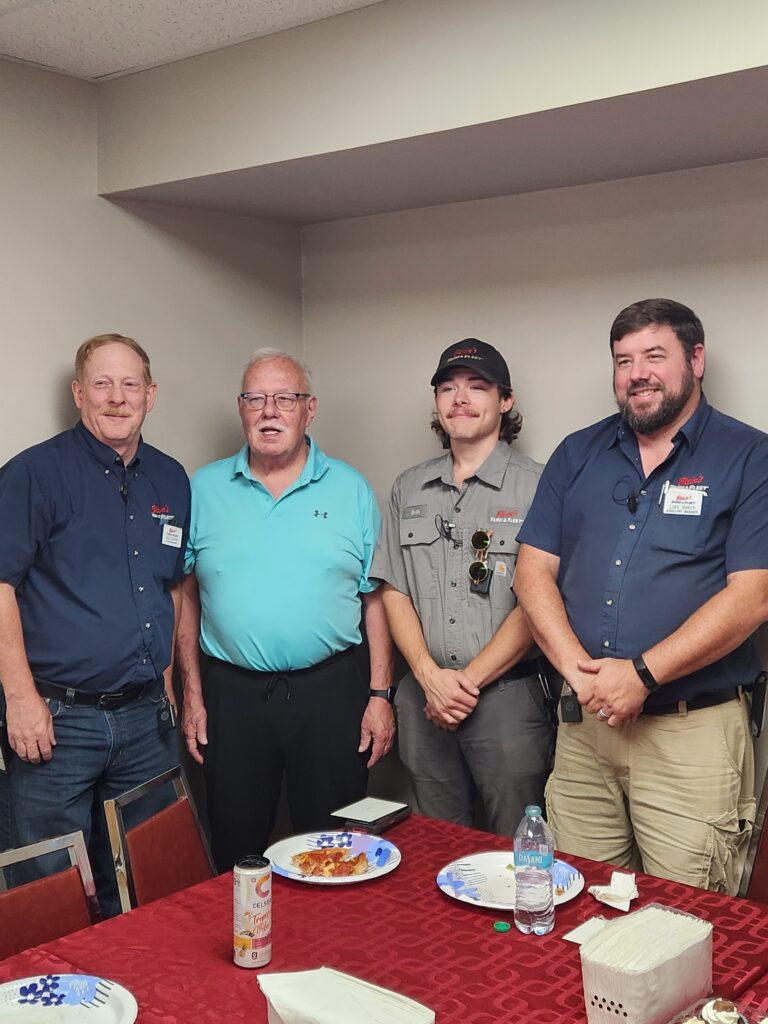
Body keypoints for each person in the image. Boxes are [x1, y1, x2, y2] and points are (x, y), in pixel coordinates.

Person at [514, 298, 768, 894]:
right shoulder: (578, 453)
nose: (637, 374)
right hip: (584, 730)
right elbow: (531, 573)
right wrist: (583, 676)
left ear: (696, 359)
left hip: (691, 735)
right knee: (575, 903)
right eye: (623, 360)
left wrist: (642, 675)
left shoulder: (751, 457)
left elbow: (753, 597)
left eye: (655, 355)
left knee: (687, 921)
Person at [178, 348, 394, 871]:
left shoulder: (351, 488)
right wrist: (192, 695)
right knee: (234, 843)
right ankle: (247, 948)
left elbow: (377, 598)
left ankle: (332, 949)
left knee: (335, 847)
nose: (269, 411)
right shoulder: (201, 489)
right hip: (232, 695)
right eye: (256, 398)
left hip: (330, 692)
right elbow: (184, 597)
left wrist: (380, 695)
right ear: (241, 408)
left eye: (284, 398)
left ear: (309, 408)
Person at [0, 333, 189, 916]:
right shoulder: (33, 473)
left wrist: (169, 685)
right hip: (58, 722)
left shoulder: (171, 479)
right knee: (49, 886)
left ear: (150, 395)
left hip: (144, 720)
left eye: (130, 384)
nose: (116, 398)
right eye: (101, 384)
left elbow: (172, 587)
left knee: (148, 879)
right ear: (79, 393)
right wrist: (20, 700)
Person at [371, 339, 554, 836]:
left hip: (506, 700)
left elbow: (539, 602)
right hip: (424, 698)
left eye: (478, 387)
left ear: (505, 400)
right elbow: (394, 590)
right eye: (448, 388)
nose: (461, 399)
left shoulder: (540, 486)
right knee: (437, 844)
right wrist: (430, 678)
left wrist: (464, 684)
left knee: (515, 847)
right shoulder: (408, 487)